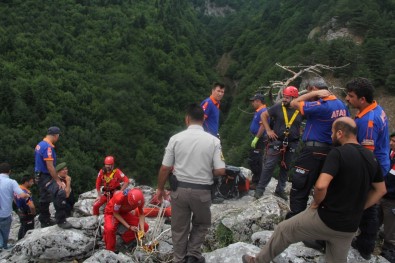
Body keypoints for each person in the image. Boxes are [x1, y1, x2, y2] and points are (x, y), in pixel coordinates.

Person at [241, 117, 387, 263]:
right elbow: (380, 190)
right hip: (349, 227)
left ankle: (257, 261)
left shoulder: (338, 153)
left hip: (327, 219)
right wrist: (359, 208)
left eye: (332, 132)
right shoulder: (371, 157)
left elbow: (321, 185)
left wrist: (316, 203)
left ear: (340, 133)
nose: (331, 135)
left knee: (284, 230)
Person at [156, 103, 226, 263]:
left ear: (187, 119)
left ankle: (179, 259)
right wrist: (205, 171)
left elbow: (165, 168)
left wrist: (160, 189)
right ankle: (193, 255)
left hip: (179, 191)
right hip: (202, 192)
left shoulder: (175, 139)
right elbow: (221, 170)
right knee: (201, 224)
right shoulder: (214, 141)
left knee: (179, 228)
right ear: (203, 119)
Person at [286, 77, 349, 219]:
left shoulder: (321, 104)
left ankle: (296, 220)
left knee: (300, 186)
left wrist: (311, 95)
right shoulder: (341, 105)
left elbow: (294, 103)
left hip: (312, 152)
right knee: (324, 188)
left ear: (315, 90)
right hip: (332, 152)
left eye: (309, 91)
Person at [345, 77, 390, 259]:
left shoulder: (368, 121)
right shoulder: (376, 109)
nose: (347, 99)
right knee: (371, 205)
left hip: (373, 168)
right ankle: (365, 241)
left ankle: (365, 245)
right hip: (381, 164)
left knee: (369, 205)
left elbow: (366, 155)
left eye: (351, 96)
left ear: (362, 99)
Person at [254, 86, 302, 201]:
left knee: (285, 167)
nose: (284, 99)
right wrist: (269, 130)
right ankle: (260, 190)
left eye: (287, 97)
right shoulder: (278, 107)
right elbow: (263, 115)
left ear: (294, 98)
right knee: (269, 166)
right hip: (277, 141)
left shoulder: (300, 110)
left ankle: (280, 190)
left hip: (291, 143)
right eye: (284, 97)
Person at [34, 126, 71, 229]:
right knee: (60, 192)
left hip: (39, 175)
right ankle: (61, 220)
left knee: (44, 197)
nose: (58, 138)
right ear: (55, 135)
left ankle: (45, 220)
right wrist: (58, 181)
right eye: (58, 136)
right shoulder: (48, 148)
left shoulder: (40, 144)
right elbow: (50, 166)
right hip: (46, 176)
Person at [0, 163, 30, 249]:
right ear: (9, 171)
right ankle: (3, 246)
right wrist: (28, 195)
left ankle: (2, 245)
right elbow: (21, 195)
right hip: (5, 212)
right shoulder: (11, 182)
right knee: (5, 231)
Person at [380, 132, 395, 262]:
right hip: (381, 194)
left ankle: (388, 249)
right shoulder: (388, 153)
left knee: (391, 227)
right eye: (391, 140)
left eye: (394, 141)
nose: (391, 143)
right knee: (374, 219)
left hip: (392, 199)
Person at [248, 93, 268, 190]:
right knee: (253, 159)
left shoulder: (263, 111)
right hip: (255, 137)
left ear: (258, 101)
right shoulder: (259, 111)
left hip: (259, 139)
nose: (252, 103)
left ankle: (257, 182)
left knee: (256, 160)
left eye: (254, 101)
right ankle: (255, 179)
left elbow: (263, 126)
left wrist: (256, 138)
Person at [14, 176, 36, 240]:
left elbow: (14, 199)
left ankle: (19, 242)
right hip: (27, 213)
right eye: (31, 182)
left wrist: (19, 206)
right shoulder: (26, 193)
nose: (33, 183)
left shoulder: (17, 189)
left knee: (22, 226)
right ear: (26, 182)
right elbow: (31, 206)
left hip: (20, 211)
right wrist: (33, 213)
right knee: (28, 231)